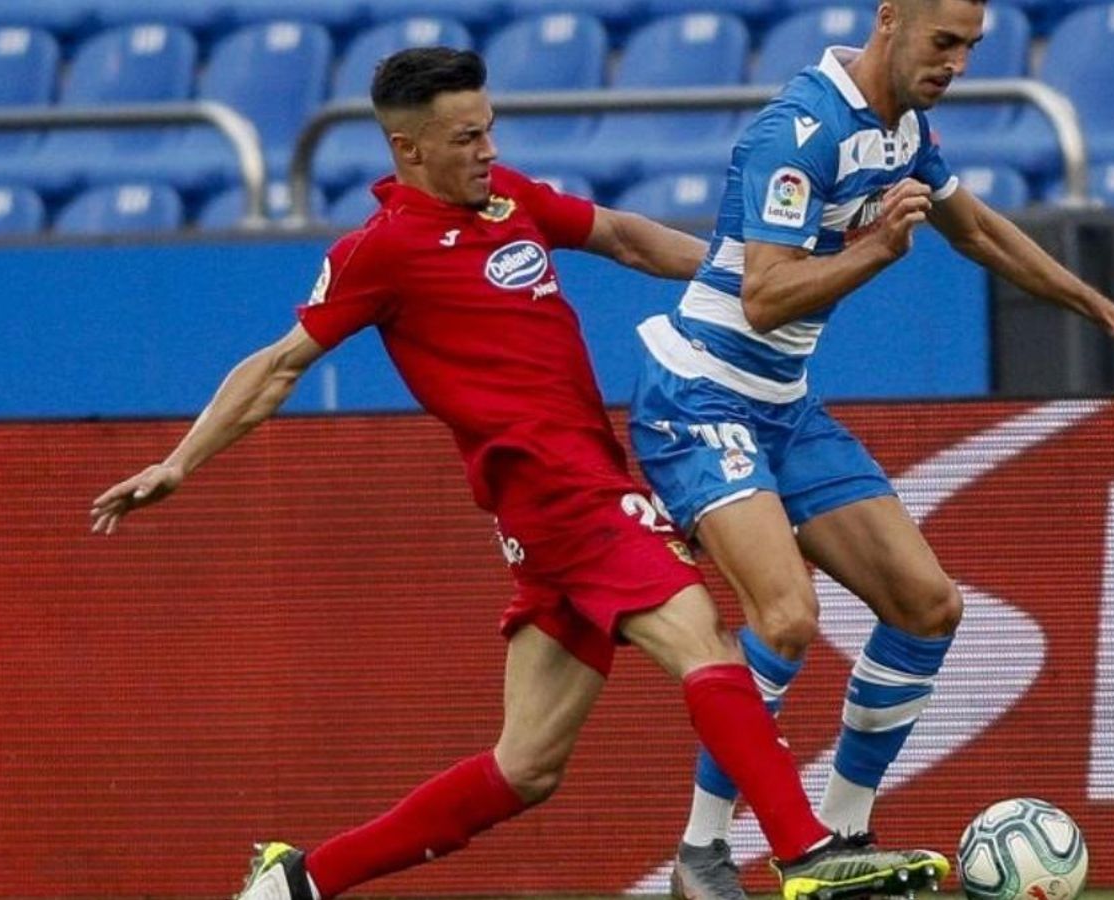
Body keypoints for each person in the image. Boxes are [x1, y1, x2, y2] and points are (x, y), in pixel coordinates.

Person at [89, 47, 949, 900]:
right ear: (409, 149)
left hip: (558, 510)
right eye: (466, 138)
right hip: (561, 494)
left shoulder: (510, 202)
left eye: (490, 129)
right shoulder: (379, 253)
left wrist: (736, 275)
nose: (488, 150)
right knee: (708, 645)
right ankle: (803, 852)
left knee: (526, 766)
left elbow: (616, 234)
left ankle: (301, 881)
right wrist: (179, 461)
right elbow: (278, 366)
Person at [627, 1, 1114, 897]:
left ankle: (848, 834)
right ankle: (702, 852)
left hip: (780, 401)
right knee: (784, 615)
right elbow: (766, 298)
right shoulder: (799, 132)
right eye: (945, 42)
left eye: (972, 47)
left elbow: (973, 227)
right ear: (891, 20)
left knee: (927, 606)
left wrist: (1106, 310)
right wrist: (879, 248)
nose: (959, 63)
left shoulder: (903, 130)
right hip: (699, 393)